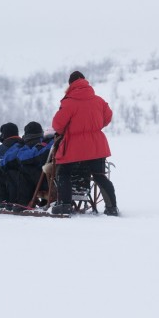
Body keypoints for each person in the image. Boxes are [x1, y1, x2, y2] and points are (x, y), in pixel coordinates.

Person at [50, 71, 118, 216]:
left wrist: (68, 131)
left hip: (74, 146)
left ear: (70, 84)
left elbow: (57, 125)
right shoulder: (99, 100)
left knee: (64, 173)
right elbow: (108, 116)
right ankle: (112, 207)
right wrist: (94, 128)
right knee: (99, 175)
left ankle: (65, 205)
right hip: (96, 145)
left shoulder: (68, 102)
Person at [14, 121, 54, 212]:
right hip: (63, 178)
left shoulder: (50, 143)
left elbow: (23, 157)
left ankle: (23, 202)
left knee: (25, 169)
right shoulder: (61, 142)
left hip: (50, 182)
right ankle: (43, 201)